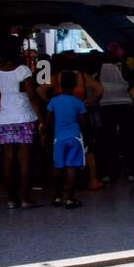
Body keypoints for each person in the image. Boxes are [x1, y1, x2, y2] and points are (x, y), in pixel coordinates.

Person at [0, 36, 45, 209]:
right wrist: (41, 119)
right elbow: (32, 96)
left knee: (7, 158)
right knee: (24, 158)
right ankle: (26, 198)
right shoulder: (23, 70)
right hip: (23, 116)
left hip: (5, 118)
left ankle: (12, 199)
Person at [45, 52, 104, 191]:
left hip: (60, 121)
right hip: (80, 117)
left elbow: (40, 90)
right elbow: (100, 89)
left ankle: (63, 185)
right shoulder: (83, 76)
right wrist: (90, 100)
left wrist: (52, 104)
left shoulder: (56, 77)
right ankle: (93, 180)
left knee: (59, 154)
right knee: (88, 149)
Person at [47, 71, 89, 209]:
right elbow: (83, 124)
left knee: (58, 167)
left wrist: (46, 134)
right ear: (75, 85)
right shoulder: (78, 102)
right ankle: (70, 199)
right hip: (75, 137)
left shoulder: (54, 101)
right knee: (72, 167)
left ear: (60, 84)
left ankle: (58, 197)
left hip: (59, 138)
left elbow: (49, 121)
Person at [97, 41, 134, 182]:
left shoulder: (99, 65)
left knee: (108, 139)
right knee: (127, 138)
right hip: (124, 104)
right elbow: (130, 81)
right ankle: (131, 170)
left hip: (106, 104)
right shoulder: (124, 65)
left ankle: (108, 172)